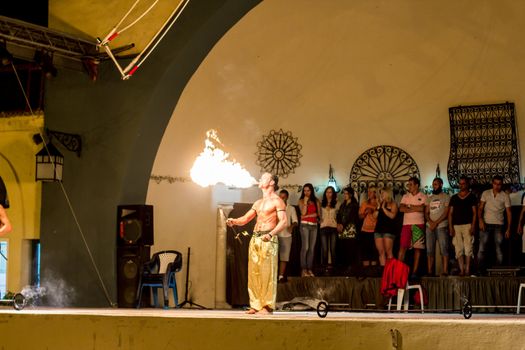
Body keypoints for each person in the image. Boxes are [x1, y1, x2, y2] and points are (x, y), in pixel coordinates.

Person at [226, 173, 287, 314]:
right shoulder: (258, 203)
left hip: (268, 238)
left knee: (267, 274)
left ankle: (267, 306)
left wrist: (270, 234)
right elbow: (245, 219)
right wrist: (234, 221)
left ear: (271, 182)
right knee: (254, 273)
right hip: (255, 239)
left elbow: (284, 222)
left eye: (264, 177)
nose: (260, 179)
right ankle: (256, 304)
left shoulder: (278, 201)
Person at [477, 175, 511, 274]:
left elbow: (509, 213)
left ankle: (498, 272)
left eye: (499, 184)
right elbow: (480, 208)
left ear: (502, 185)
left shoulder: (505, 196)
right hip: (486, 223)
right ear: (492, 183)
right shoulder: (486, 193)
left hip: (499, 225)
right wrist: (480, 220)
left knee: (499, 249)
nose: (497, 186)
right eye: (495, 184)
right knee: (482, 248)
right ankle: (479, 272)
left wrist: (508, 228)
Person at [398, 176, 427, 278]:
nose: (408, 186)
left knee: (417, 248)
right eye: (408, 184)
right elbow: (401, 209)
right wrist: (415, 208)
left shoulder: (423, 196)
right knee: (403, 247)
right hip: (406, 225)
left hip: (418, 224)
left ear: (416, 185)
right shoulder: (405, 196)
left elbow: (422, 208)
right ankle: (399, 271)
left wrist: (409, 206)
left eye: (410, 184)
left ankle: (414, 272)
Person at [448, 176, 477, 276]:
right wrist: (450, 227)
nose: (461, 185)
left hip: (468, 225)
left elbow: (475, 213)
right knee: (458, 248)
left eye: (463, 183)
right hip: (456, 226)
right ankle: (462, 270)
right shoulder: (454, 197)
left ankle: (468, 269)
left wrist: (473, 225)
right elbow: (450, 213)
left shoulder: (472, 196)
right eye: (460, 184)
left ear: (467, 184)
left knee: (468, 247)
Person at [424, 178, 450, 276]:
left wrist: (436, 223)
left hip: (441, 226)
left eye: (436, 184)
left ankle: (445, 271)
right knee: (429, 249)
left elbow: (446, 212)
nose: (434, 186)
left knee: (444, 248)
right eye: (433, 184)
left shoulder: (446, 197)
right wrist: (431, 222)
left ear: (441, 184)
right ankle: (430, 271)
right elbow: (426, 213)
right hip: (430, 227)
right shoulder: (429, 198)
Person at [298, 183, 321, 277]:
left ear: (311, 191)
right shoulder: (301, 200)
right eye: (305, 190)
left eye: (308, 190)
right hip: (304, 226)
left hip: (314, 226)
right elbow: (302, 212)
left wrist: (306, 216)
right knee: (305, 247)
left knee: (311, 249)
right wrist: (305, 202)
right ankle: (303, 270)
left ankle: (309, 269)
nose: (306, 192)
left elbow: (318, 215)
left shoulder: (316, 201)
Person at [336, 187, 360, 275]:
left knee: (350, 248)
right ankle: (344, 267)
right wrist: (339, 223)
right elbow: (338, 215)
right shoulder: (343, 205)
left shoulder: (354, 205)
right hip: (342, 228)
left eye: (346, 193)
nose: (345, 195)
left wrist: (343, 225)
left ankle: (350, 268)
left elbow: (351, 217)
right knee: (343, 248)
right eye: (344, 193)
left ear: (350, 194)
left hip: (350, 228)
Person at [277, 189, 298, 283]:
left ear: (287, 197)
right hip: (275, 235)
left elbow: (295, 221)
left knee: (284, 257)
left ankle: (281, 276)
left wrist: (291, 227)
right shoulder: (275, 207)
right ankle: (273, 275)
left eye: (283, 197)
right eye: (280, 197)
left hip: (286, 235)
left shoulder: (291, 208)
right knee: (273, 256)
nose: (281, 199)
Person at [374, 188, 398, 266]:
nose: (381, 195)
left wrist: (384, 208)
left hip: (389, 231)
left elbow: (392, 216)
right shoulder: (380, 204)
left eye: (383, 193)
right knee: (381, 252)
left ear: (388, 194)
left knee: (389, 252)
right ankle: (383, 272)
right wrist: (378, 206)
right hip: (378, 230)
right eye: (381, 193)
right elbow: (374, 216)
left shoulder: (393, 204)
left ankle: (390, 272)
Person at [319, 186, 339, 273]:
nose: (328, 194)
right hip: (323, 227)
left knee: (333, 248)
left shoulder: (337, 203)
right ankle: (324, 267)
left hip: (333, 227)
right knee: (325, 248)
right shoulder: (321, 203)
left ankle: (334, 268)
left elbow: (340, 216)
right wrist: (318, 220)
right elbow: (318, 215)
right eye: (327, 192)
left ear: (333, 193)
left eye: (330, 192)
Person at [359, 186, 379, 267]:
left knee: (374, 250)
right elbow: (360, 217)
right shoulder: (364, 203)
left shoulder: (379, 203)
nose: (369, 193)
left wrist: (373, 210)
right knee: (365, 251)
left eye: (371, 191)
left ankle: (373, 271)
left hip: (375, 230)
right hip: (365, 230)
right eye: (368, 191)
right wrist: (365, 213)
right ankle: (366, 271)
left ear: (375, 193)